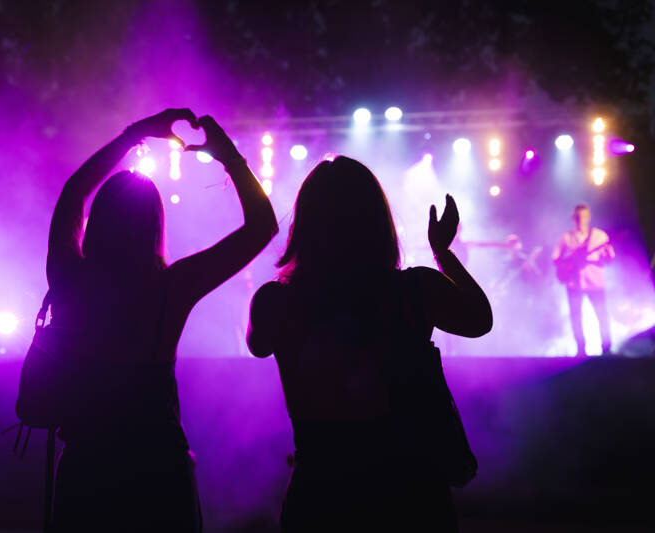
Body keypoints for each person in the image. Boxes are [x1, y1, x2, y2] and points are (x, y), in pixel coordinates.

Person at [46, 109, 278, 531]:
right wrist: (228, 155)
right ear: (155, 224)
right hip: (157, 465)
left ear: (97, 221)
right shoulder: (171, 288)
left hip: (87, 465)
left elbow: (74, 192)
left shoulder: (70, 276)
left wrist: (133, 135)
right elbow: (263, 227)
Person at [246, 156, 492, 532]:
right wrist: (443, 253)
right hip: (411, 495)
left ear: (306, 226)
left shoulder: (275, 302)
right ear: (378, 222)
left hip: (321, 494)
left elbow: (258, 343)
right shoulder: (415, 289)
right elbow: (479, 320)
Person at [552, 203, 615, 356]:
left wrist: (607, 255)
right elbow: (556, 259)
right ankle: (581, 350)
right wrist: (568, 264)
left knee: (602, 315)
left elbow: (609, 260)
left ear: (589, 217)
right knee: (576, 317)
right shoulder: (566, 238)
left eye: (584, 216)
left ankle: (606, 349)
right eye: (579, 217)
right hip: (574, 284)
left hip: (595, 282)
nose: (581, 220)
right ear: (574, 218)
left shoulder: (600, 236)